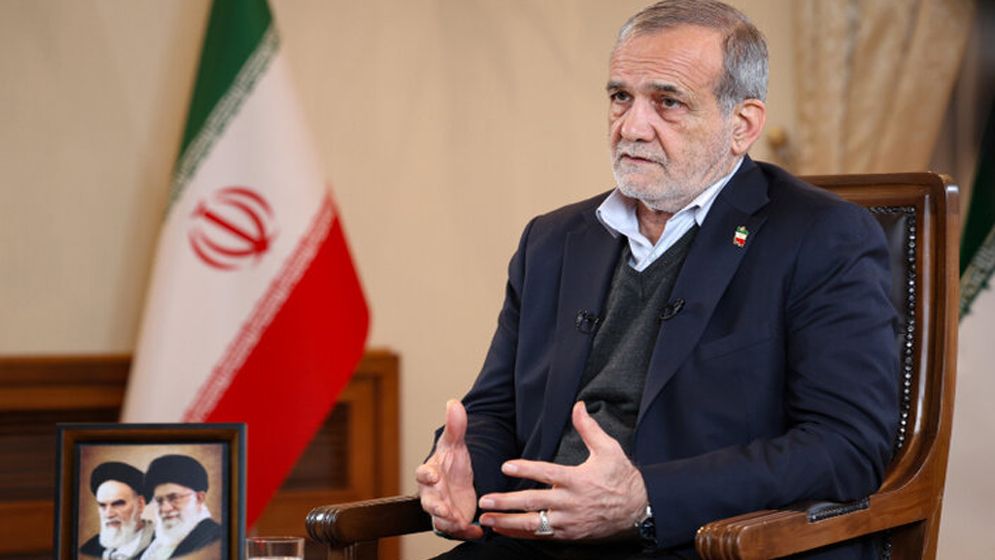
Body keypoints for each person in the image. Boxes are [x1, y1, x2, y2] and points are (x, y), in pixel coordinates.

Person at [416, 1, 899, 559]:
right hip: (535, 540)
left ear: (742, 125)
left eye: (668, 102)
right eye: (621, 97)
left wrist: (646, 499)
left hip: (702, 544)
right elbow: (494, 412)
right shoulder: (551, 240)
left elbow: (846, 447)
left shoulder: (823, 235)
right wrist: (464, 470)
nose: (631, 126)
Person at [140, 454, 222, 560]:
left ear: (199, 498)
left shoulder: (216, 540)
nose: (165, 508)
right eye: (159, 501)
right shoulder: (154, 542)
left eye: (174, 498)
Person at [80, 461, 155, 560]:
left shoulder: (164, 547)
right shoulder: (89, 549)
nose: (108, 514)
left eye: (118, 504)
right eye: (102, 505)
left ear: (140, 504)